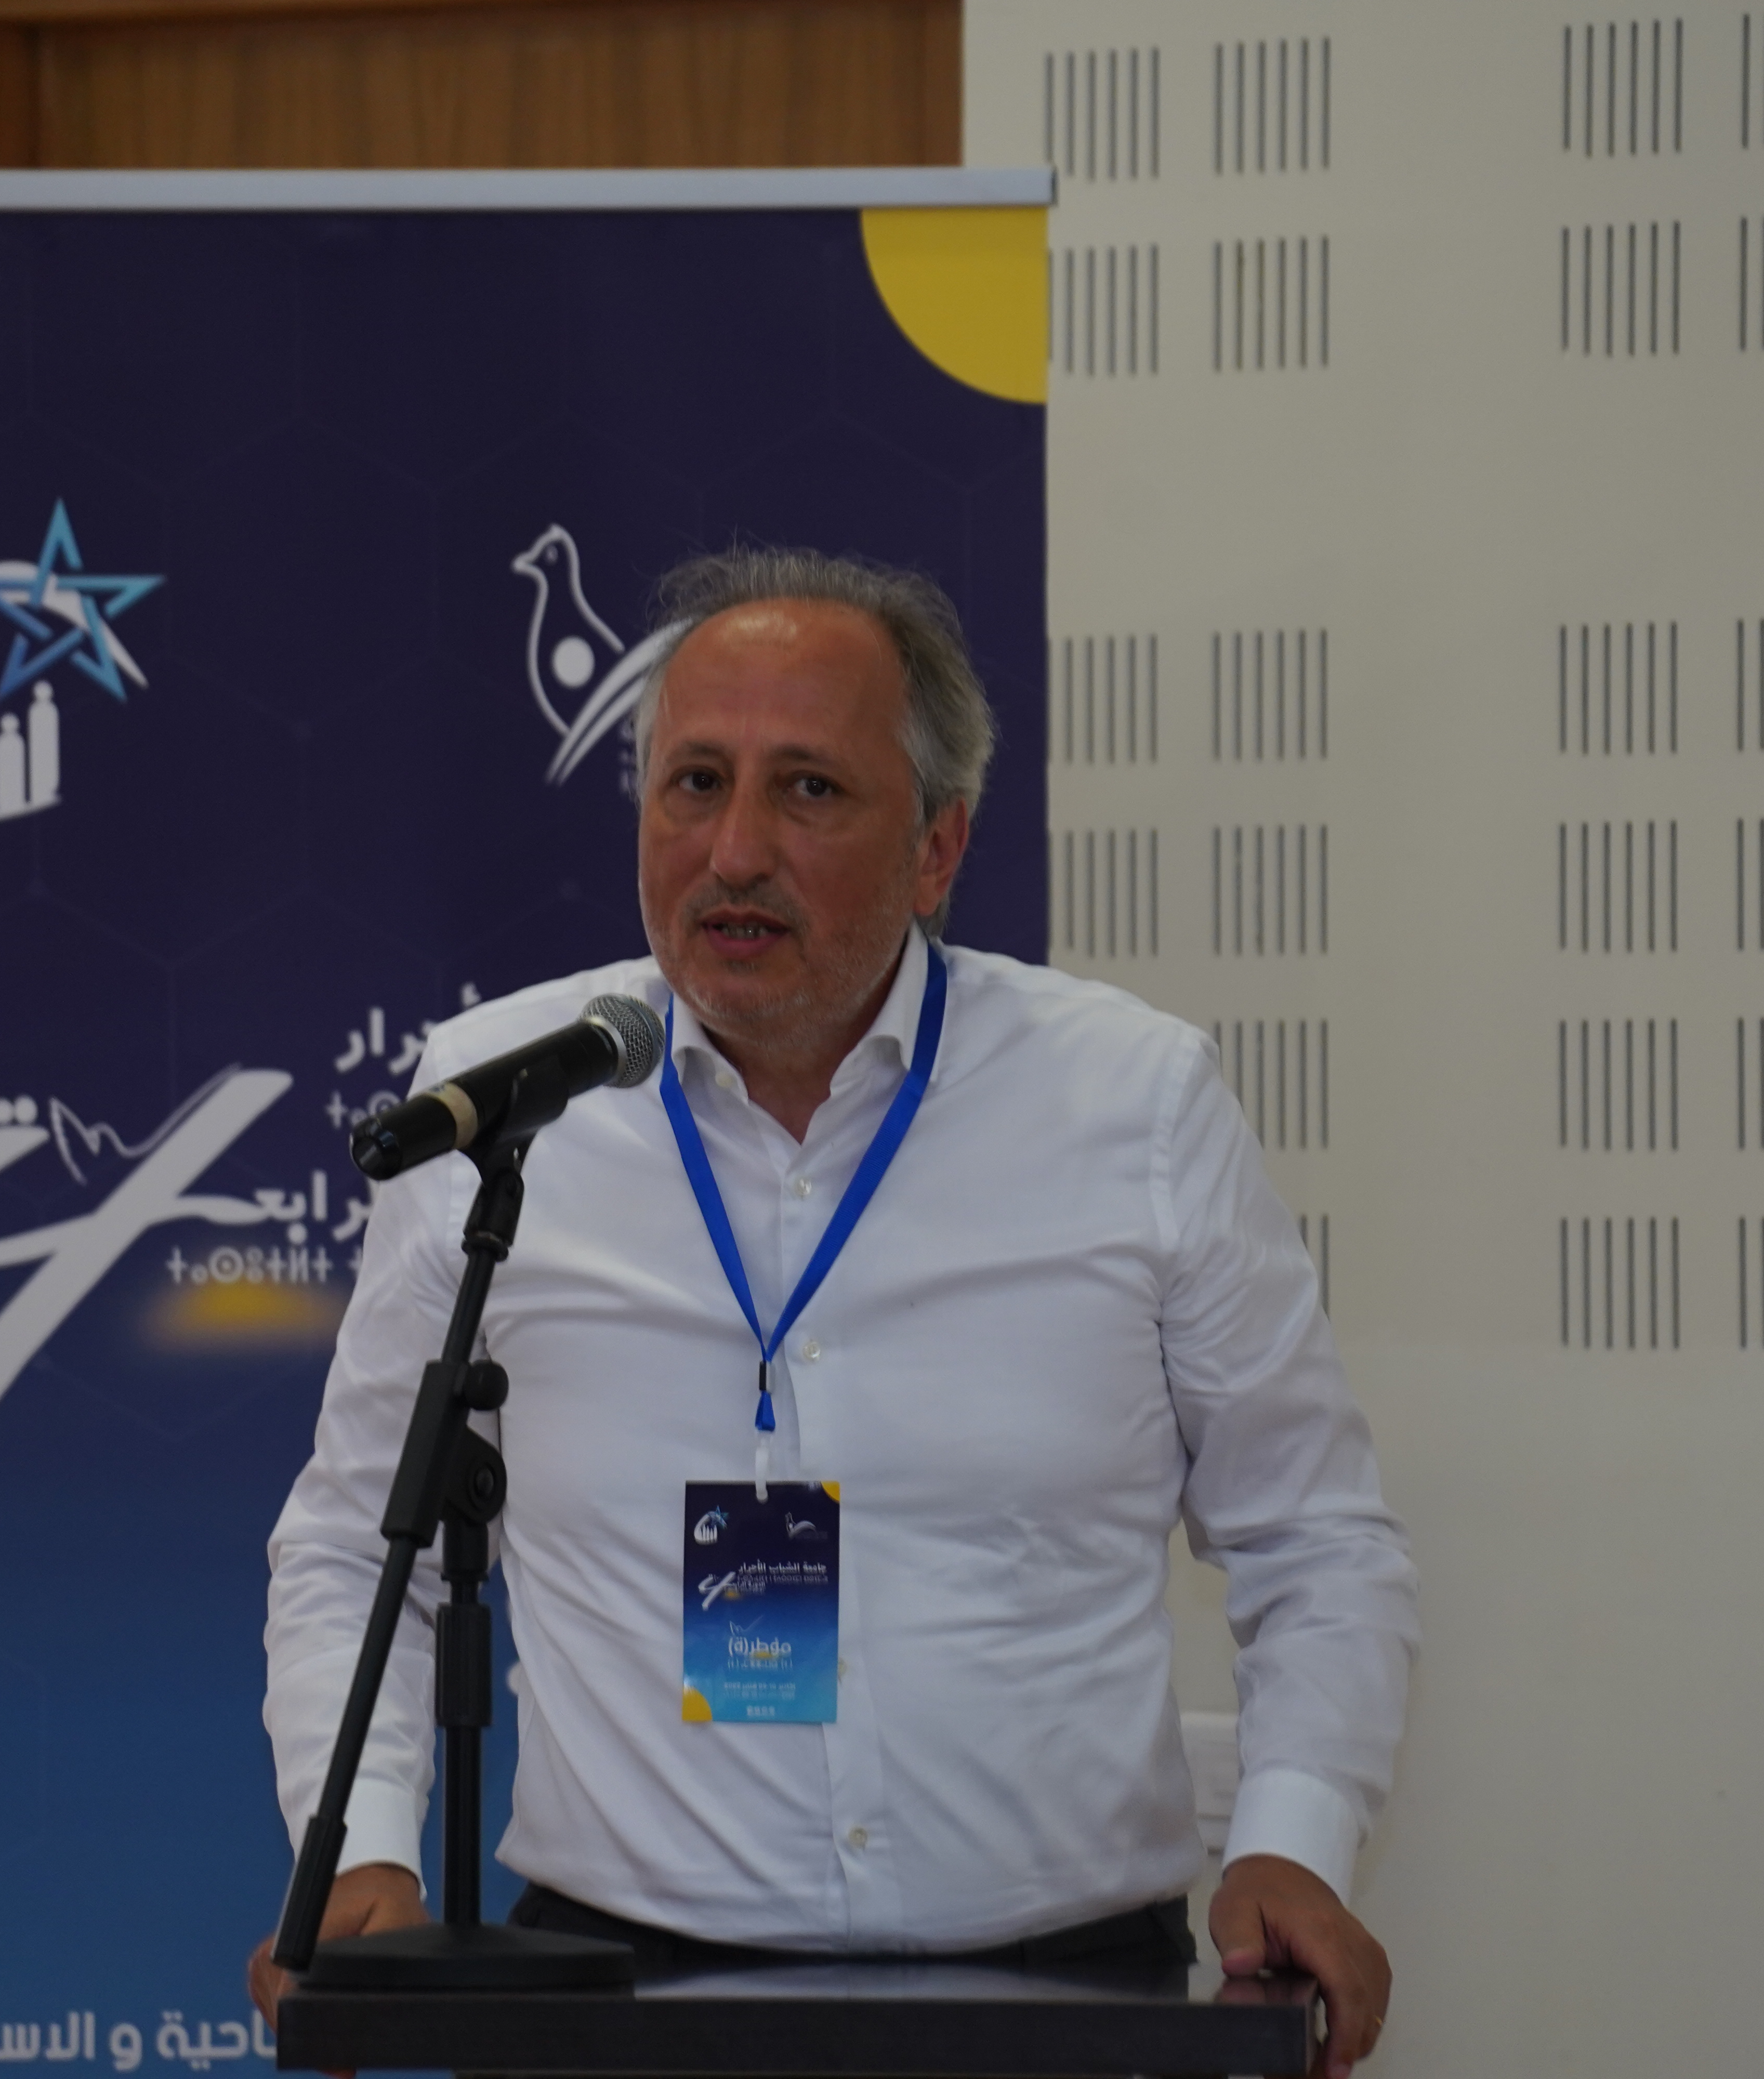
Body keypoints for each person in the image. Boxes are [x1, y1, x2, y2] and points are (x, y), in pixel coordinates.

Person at [256, 549, 1417, 2078]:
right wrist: (360, 1852)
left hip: (1062, 2007)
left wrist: (1294, 1843)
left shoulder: (1132, 1104)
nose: (734, 849)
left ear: (939, 847)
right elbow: (360, 1542)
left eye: (808, 790)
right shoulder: (507, 1111)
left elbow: (1311, 1538)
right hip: (613, 2003)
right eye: (695, 784)